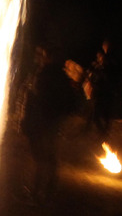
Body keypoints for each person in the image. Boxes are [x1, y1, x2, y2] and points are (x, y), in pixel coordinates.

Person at [19, 47, 83, 205]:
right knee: (48, 157)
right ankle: (48, 190)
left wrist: (30, 121)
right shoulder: (57, 76)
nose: (39, 57)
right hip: (49, 123)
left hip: (43, 123)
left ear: (49, 57)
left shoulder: (47, 75)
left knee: (42, 157)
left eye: (42, 54)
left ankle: (38, 192)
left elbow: (39, 100)